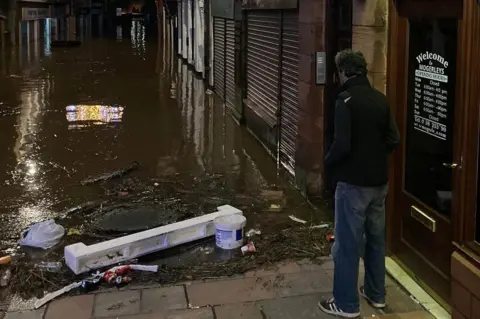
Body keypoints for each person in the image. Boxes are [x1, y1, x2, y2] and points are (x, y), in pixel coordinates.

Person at [318, 49, 400, 318]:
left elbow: (342, 144)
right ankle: (376, 295)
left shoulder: (346, 100)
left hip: (353, 185)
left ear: (343, 72)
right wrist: (374, 155)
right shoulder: (380, 99)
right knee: (376, 241)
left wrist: (327, 162)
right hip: (379, 184)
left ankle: (345, 303)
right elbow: (393, 140)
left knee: (347, 244)